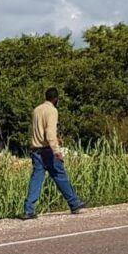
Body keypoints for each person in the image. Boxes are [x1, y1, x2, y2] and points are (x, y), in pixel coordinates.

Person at [23, 88, 85, 219]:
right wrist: (57, 151)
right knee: (60, 176)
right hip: (47, 151)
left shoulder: (36, 110)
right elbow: (50, 133)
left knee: (36, 179)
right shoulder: (52, 111)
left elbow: (35, 131)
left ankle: (29, 209)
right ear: (56, 99)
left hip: (36, 149)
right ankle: (74, 203)